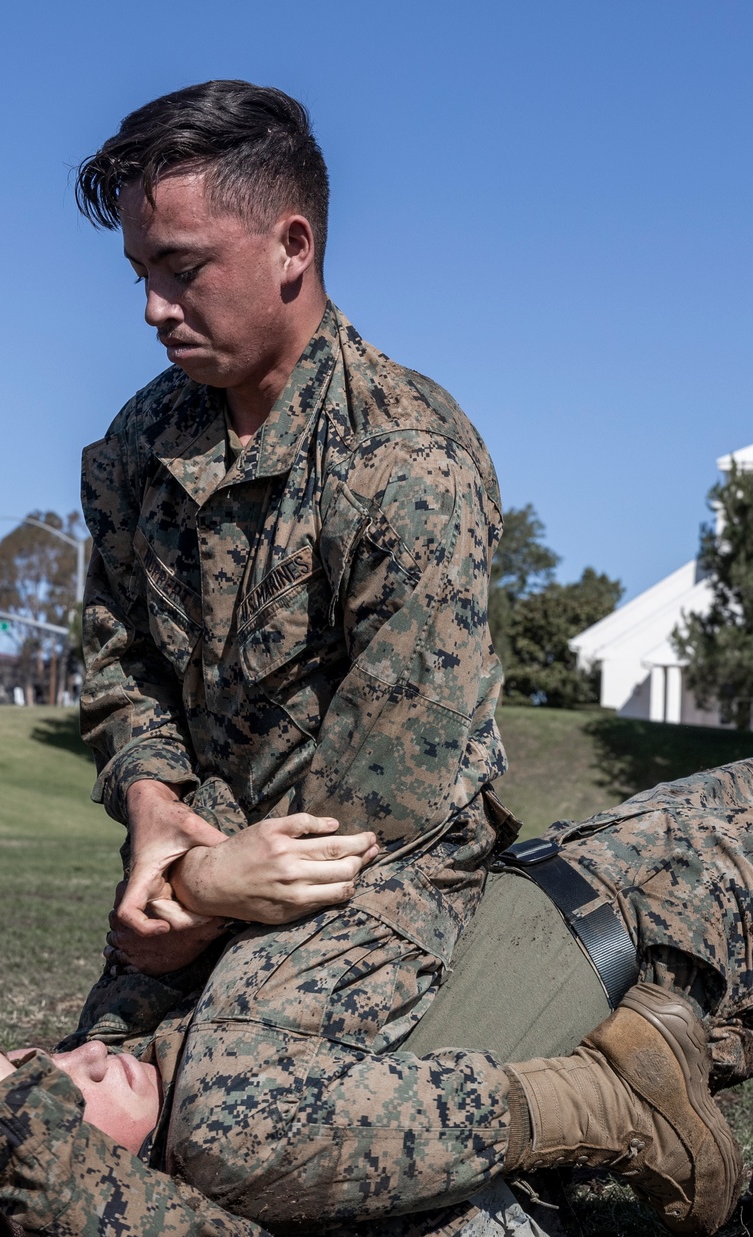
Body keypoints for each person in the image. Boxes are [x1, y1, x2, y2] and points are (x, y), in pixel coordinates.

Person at [0, 766, 749, 1237]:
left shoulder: (130, 1052)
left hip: (625, 847)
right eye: (52, 1105)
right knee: (217, 1118)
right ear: (47, 1211)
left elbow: (169, 868)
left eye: (46, 1058)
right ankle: (620, 1105)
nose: (86, 1059)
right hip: (686, 934)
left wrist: (192, 888)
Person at [73, 80, 516, 1091]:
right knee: (75, 1112)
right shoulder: (139, 442)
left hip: (384, 881)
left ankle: (593, 1091)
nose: (153, 308)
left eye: (183, 270)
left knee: (221, 1109)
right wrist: (152, 805)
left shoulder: (405, 456)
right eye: (141, 272)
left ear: (292, 246)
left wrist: (203, 891)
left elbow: (386, 790)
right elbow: (120, 657)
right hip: (205, 863)